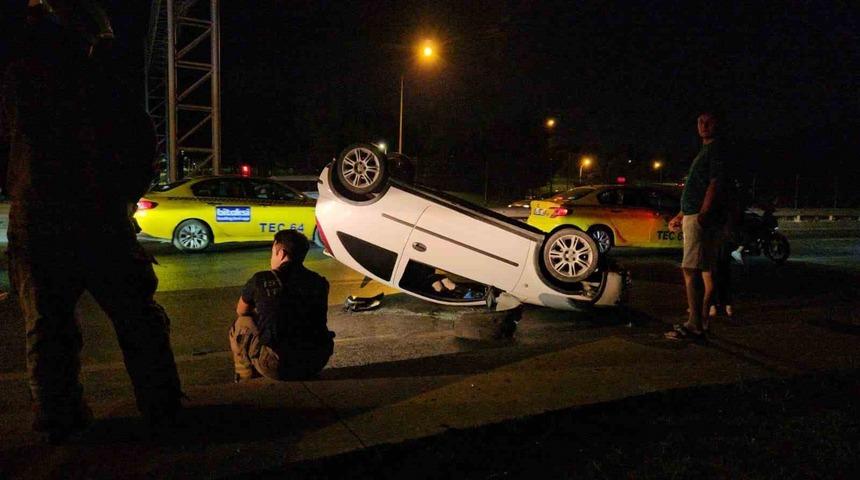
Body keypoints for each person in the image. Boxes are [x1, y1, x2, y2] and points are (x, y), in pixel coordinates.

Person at [1, 0, 183, 442]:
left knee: (48, 326)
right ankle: (161, 406)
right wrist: (122, 199)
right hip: (97, 212)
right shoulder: (103, 71)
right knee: (138, 317)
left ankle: (57, 415)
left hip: (38, 213)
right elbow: (140, 141)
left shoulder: (18, 74)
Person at [230, 230, 335, 381]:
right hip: (315, 362)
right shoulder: (320, 281)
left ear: (282, 253)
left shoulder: (261, 279)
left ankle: (244, 376)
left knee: (241, 323)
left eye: (273, 252)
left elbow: (241, 310)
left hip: (276, 366)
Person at [665, 110, 729, 341]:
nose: (703, 125)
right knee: (700, 270)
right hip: (692, 215)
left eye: (708, 121)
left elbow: (715, 182)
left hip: (700, 218)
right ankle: (701, 320)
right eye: (700, 121)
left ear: (717, 124)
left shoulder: (715, 150)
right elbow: (698, 187)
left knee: (691, 269)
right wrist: (681, 214)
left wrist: (703, 213)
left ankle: (695, 325)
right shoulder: (705, 151)